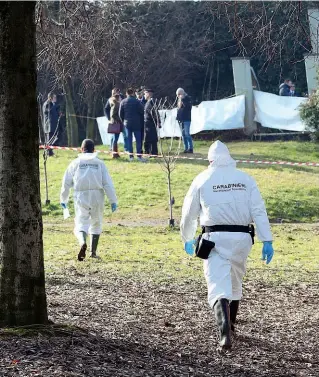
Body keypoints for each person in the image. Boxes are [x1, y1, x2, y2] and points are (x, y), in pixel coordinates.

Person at [180, 141, 274, 351]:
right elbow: (258, 210)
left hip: (214, 238)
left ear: (210, 160)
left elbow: (189, 212)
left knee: (217, 285)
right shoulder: (245, 179)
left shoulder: (202, 179)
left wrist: (186, 237)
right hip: (242, 238)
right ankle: (231, 324)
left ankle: (224, 334)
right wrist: (266, 240)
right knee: (235, 280)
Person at [60, 139, 118, 261]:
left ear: (81, 149)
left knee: (81, 222)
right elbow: (107, 183)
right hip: (97, 196)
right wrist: (113, 200)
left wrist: (63, 199)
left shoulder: (75, 163)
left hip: (81, 196)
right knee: (96, 222)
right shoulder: (100, 164)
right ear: (94, 150)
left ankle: (82, 242)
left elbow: (66, 183)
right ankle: (93, 252)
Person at [119, 88, 145, 162]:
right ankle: (139, 156)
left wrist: (123, 121)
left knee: (129, 140)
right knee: (138, 140)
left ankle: (131, 156)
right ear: (133, 93)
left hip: (127, 124)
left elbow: (120, 114)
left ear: (126, 94)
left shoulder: (123, 102)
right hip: (137, 123)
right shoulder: (137, 102)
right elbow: (141, 111)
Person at [105, 88, 127, 154]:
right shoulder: (110, 100)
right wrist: (109, 118)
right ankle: (112, 149)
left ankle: (126, 149)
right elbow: (106, 109)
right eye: (114, 92)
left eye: (117, 91)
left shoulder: (122, 98)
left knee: (125, 135)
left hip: (122, 120)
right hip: (115, 121)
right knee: (114, 136)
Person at [143, 89, 161, 157]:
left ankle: (152, 152)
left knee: (151, 138)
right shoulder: (148, 101)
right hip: (148, 123)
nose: (144, 95)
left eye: (145, 94)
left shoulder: (152, 101)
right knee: (148, 138)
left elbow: (155, 112)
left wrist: (158, 121)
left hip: (150, 122)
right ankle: (150, 152)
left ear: (148, 94)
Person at [176, 88, 193, 154]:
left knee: (187, 134)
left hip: (186, 119)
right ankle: (186, 148)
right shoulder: (179, 99)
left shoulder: (188, 98)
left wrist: (182, 99)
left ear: (181, 93)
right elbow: (179, 107)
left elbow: (188, 107)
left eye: (178, 94)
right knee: (183, 134)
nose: (178, 96)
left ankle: (190, 148)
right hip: (180, 119)